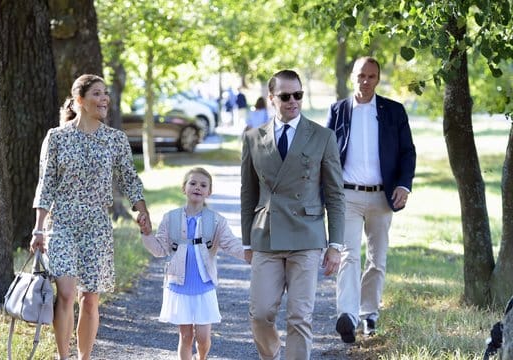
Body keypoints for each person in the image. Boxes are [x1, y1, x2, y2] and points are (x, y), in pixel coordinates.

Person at [30, 74, 152, 360]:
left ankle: (84, 357)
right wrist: (38, 229)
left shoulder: (114, 139)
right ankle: (63, 357)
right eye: (97, 94)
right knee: (67, 293)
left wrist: (142, 209)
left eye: (106, 94)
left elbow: (129, 178)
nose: (104, 99)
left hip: (96, 225)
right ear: (80, 101)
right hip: (60, 222)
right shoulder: (57, 137)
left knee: (90, 298)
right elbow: (45, 183)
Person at [241, 69, 345, 360]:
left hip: (306, 234)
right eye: (285, 96)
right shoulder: (252, 138)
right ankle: (271, 354)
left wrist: (335, 245)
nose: (293, 101)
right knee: (260, 313)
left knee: (300, 316)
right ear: (271, 98)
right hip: (266, 235)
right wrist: (247, 241)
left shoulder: (322, 136)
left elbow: (335, 194)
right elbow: (248, 193)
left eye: (298, 95)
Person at [326, 56, 416, 343]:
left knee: (377, 259)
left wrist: (404, 185)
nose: (365, 81)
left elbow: (407, 153)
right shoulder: (338, 110)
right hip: (347, 196)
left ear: (378, 79)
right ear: (353, 76)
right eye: (360, 75)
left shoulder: (393, 111)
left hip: (382, 195)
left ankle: (369, 314)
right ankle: (348, 316)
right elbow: (326, 155)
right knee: (348, 256)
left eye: (371, 77)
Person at [141, 167, 245, 360]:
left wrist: (253, 254)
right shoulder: (170, 218)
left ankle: (201, 357)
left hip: (204, 286)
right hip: (179, 285)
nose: (198, 187)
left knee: (203, 338)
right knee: (186, 336)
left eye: (203, 185)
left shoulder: (215, 221)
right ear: (184, 188)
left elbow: (232, 244)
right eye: (193, 183)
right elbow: (159, 249)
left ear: (209, 192)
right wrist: (146, 234)